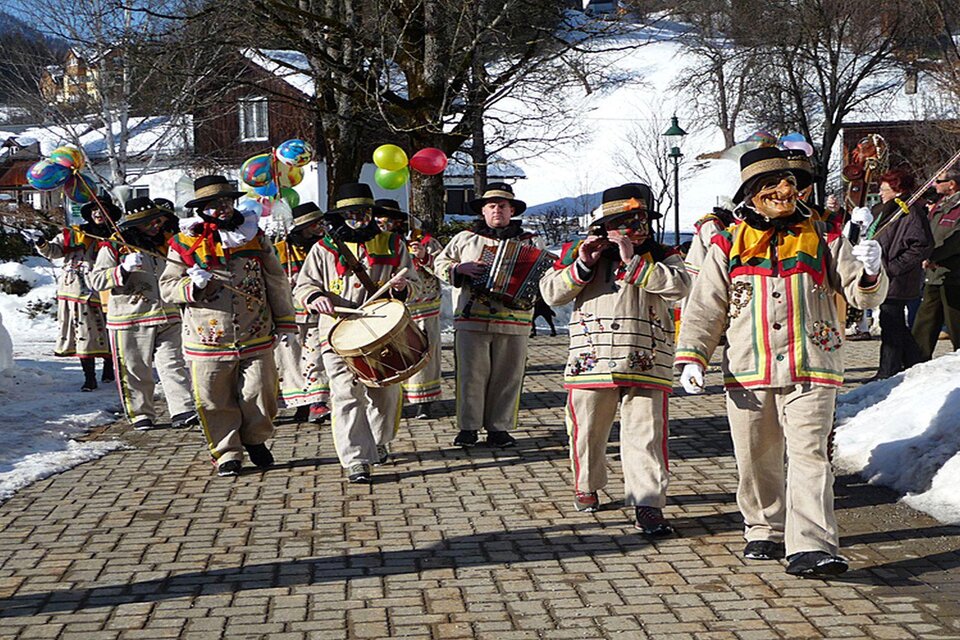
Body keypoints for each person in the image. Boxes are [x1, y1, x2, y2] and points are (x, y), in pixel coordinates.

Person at [677, 147, 888, 577]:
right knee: (756, 455)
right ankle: (763, 526)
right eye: (772, 185)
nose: (783, 191)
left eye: (789, 184)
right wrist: (693, 356)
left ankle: (811, 545)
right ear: (753, 193)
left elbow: (860, 294)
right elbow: (706, 305)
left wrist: (869, 271)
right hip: (748, 365)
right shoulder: (726, 240)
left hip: (813, 362)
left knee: (811, 454)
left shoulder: (824, 234)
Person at [540, 183, 690, 535]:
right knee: (586, 430)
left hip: (647, 358)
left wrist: (633, 262)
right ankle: (588, 483)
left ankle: (647, 503)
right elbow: (551, 293)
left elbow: (683, 287)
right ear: (607, 226)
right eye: (626, 222)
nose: (637, 229)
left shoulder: (662, 253)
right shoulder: (578, 250)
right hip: (592, 359)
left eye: (642, 221)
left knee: (647, 434)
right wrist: (584, 263)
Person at [159, 175, 297, 477]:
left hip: (255, 330)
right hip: (207, 338)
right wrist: (191, 286)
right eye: (213, 205)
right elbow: (167, 287)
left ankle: (254, 437)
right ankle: (226, 452)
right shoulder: (184, 243)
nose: (221, 209)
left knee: (261, 392)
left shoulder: (253, 235)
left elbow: (275, 279)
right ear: (202, 209)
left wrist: (285, 319)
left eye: (225, 202)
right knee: (213, 399)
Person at [293, 183, 418, 483]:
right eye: (351, 214)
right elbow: (303, 286)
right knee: (346, 395)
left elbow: (415, 283)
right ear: (341, 216)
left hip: (382, 333)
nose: (358, 220)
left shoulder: (394, 244)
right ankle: (356, 459)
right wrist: (314, 297)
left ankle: (378, 440)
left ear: (372, 214)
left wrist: (405, 288)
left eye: (363, 214)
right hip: (337, 334)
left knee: (385, 395)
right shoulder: (324, 249)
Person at [434, 182, 542, 448]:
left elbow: (544, 272)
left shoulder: (530, 241)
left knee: (509, 376)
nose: (497, 211)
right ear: (482, 210)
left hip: (515, 320)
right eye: (491, 206)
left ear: (512, 210)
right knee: (471, 375)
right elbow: (439, 263)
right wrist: (460, 268)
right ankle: (468, 428)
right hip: (473, 318)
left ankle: (499, 428)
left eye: (503, 206)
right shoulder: (465, 239)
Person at [87, 197, 197, 430]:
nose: (156, 225)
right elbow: (96, 280)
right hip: (131, 317)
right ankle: (141, 414)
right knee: (135, 369)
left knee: (173, 364)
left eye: (158, 220)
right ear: (135, 224)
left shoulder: (167, 243)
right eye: (150, 222)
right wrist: (122, 270)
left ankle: (183, 409)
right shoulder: (114, 245)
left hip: (168, 314)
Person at [34, 198, 117, 391]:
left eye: (103, 210)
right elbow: (54, 251)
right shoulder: (74, 233)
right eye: (95, 210)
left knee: (109, 331)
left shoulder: (117, 236)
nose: (98, 213)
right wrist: (42, 243)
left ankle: (109, 367)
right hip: (76, 290)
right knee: (83, 334)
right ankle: (89, 378)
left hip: (106, 289)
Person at [375, 199, 443, 419]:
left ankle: (425, 401)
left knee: (424, 351)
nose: (383, 222)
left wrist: (424, 256)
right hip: (394, 308)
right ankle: (397, 400)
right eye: (379, 218)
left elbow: (442, 268)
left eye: (388, 218)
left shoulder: (423, 240)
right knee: (396, 354)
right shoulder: (380, 243)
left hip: (424, 305)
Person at [863, 169, 932, 379]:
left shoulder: (909, 211)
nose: (881, 193)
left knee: (891, 324)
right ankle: (915, 363)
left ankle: (888, 370)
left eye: (885, 189)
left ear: (898, 190)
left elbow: (922, 244)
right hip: (882, 273)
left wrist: (894, 267)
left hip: (897, 277)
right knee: (893, 323)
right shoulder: (885, 210)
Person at [272, 202, 331, 425]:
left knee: (315, 357)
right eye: (313, 225)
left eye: (320, 224)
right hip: (289, 314)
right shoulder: (279, 249)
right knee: (292, 361)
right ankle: (302, 403)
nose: (319, 228)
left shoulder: (327, 248)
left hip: (318, 314)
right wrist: (283, 283)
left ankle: (318, 402)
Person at [913, 167, 960, 359]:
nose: (935, 184)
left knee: (956, 324)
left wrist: (933, 257)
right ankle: (914, 362)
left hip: (953, 275)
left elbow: (955, 241)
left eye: (939, 181)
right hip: (934, 275)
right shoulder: (941, 204)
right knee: (924, 324)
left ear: (952, 184)